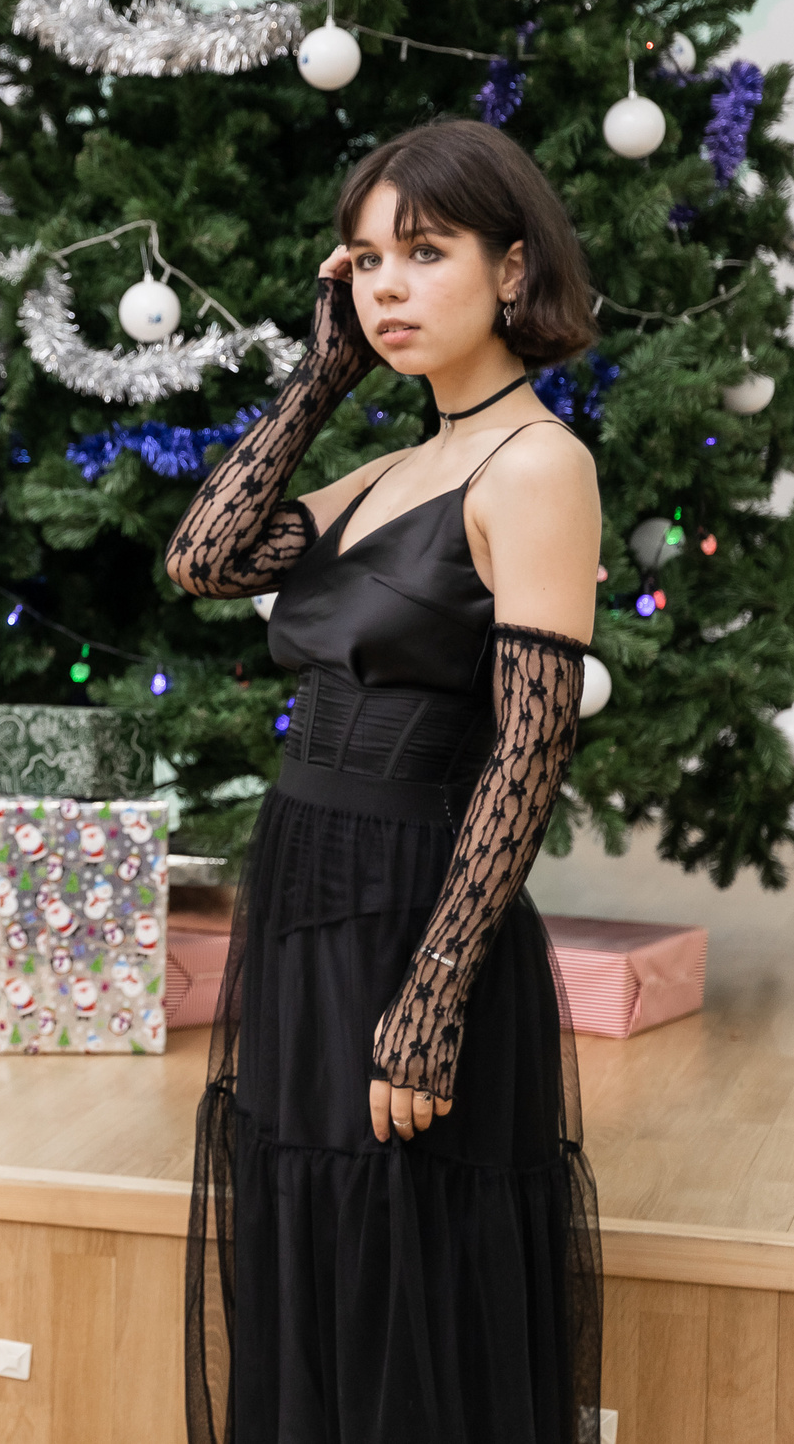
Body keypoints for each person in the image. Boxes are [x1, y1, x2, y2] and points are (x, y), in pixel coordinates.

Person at [165, 118, 603, 1444]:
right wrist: (318, 376)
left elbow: (529, 753)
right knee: (318, 1240)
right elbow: (205, 558)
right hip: (311, 889)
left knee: (408, 1258)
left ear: (514, 267)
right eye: (363, 262)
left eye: (425, 252)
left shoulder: (537, 466)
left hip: (417, 909)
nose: (388, 287)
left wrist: (431, 999)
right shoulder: (398, 465)